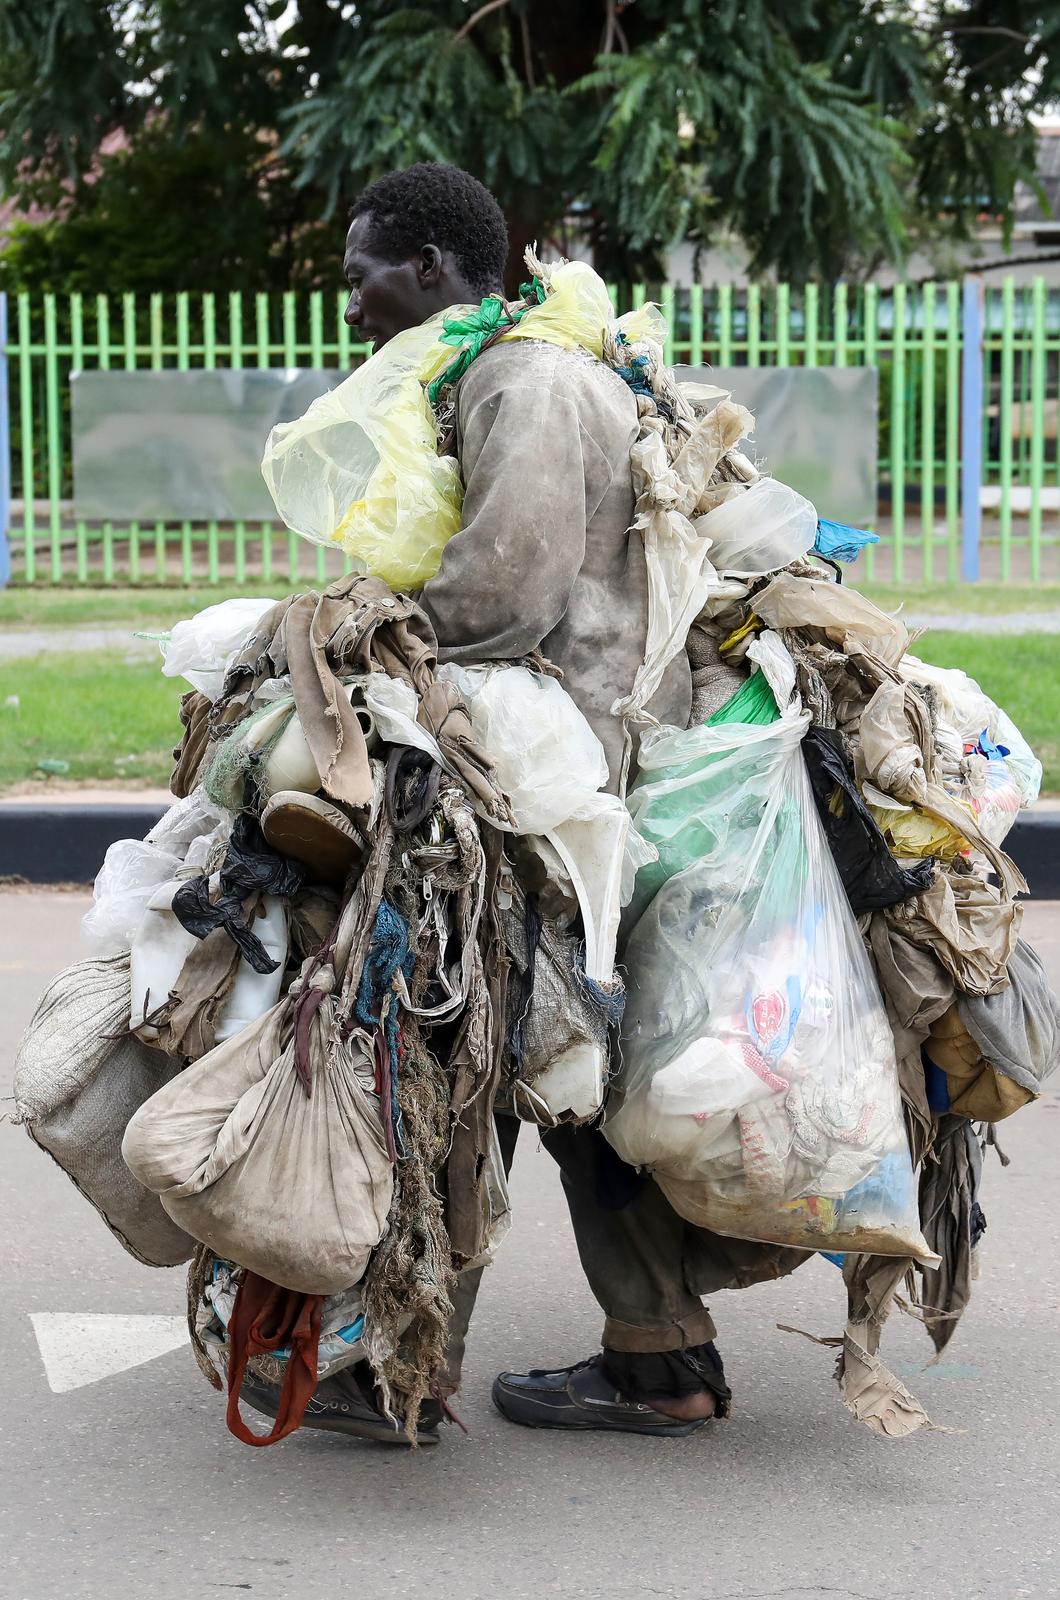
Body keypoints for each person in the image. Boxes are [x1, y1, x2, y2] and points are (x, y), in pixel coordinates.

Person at [244, 161, 790, 1446]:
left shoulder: (527, 381)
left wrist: (357, 631)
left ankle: (400, 1368)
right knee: (564, 1063)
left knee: (458, 1047)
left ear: (430, 269)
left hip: (540, 778)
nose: (353, 300)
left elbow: (507, 595)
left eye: (364, 273)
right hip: (590, 763)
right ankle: (660, 1359)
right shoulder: (521, 363)